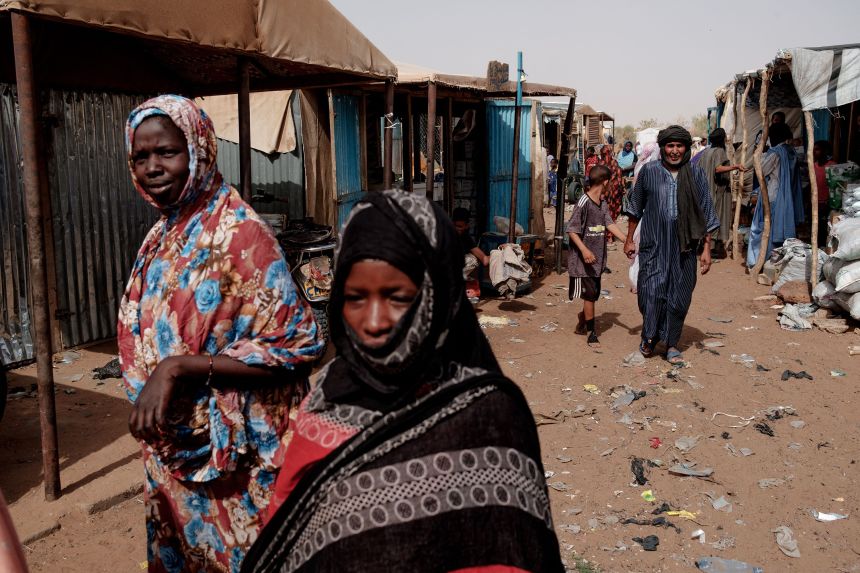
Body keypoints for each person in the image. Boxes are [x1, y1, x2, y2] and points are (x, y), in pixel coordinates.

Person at [243, 190, 563, 573]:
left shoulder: (487, 417)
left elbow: (509, 551)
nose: (374, 321)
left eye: (396, 297)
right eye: (355, 297)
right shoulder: (326, 395)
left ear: (439, 295)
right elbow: (290, 527)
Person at [118, 95, 323, 572]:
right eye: (140, 157)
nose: (152, 167)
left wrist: (178, 367)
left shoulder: (241, 234)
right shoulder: (164, 234)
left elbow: (299, 344)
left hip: (236, 463)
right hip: (176, 453)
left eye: (166, 152)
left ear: (199, 149)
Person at [623, 126, 719, 365]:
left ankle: (672, 343)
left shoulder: (695, 174)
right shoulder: (649, 172)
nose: (674, 151)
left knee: (679, 296)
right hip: (654, 243)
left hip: (684, 247)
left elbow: (705, 212)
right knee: (650, 292)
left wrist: (706, 249)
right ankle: (649, 337)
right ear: (663, 147)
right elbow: (635, 208)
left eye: (679, 146)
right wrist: (628, 239)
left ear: (686, 148)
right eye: (670, 146)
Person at [567, 165, 629, 348]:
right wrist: (585, 251)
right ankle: (591, 333)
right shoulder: (583, 203)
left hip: (598, 259)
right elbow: (571, 229)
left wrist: (626, 240)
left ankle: (582, 320)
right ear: (606, 182)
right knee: (591, 295)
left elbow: (608, 223)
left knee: (593, 295)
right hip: (583, 260)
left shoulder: (602, 203)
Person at [746, 122, 805, 267]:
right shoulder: (791, 152)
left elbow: (762, 171)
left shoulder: (776, 153)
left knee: (766, 230)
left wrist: (760, 153)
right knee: (778, 229)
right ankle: (777, 262)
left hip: (773, 196)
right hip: (787, 197)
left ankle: (763, 261)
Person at [696, 128, 746, 257]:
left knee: (707, 217)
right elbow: (718, 168)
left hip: (704, 189)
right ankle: (710, 248)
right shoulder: (719, 152)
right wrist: (735, 166)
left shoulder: (706, 152)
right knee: (716, 216)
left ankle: (706, 246)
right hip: (717, 190)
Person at [813, 140, 835, 247]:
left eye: (817, 149)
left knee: (825, 227)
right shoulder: (814, 165)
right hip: (815, 201)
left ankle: (824, 246)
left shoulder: (832, 166)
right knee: (816, 226)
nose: (814, 152)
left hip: (827, 202)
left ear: (824, 151)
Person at [598, 145, 626, 228]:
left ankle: (608, 234)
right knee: (611, 212)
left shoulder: (600, 164)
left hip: (609, 193)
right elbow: (620, 177)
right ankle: (610, 235)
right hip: (612, 193)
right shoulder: (613, 163)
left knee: (605, 212)